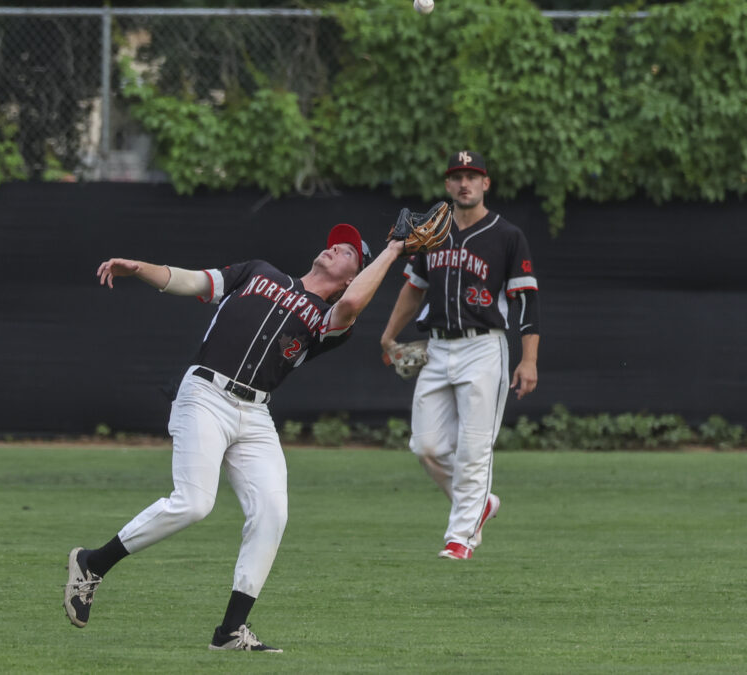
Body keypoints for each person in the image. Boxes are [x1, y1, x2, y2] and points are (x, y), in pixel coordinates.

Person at [65, 224, 406, 652]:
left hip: (255, 415)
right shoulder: (259, 272)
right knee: (194, 503)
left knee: (272, 513)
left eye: (350, 252)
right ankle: (92, 563)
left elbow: (354, 301)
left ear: (354, 275)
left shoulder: (329, 320)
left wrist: (393, 249)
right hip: (205, 394)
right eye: (337, 242)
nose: (337, 247)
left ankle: (230, 631)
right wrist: (140, 269)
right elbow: (195, 281)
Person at [380, 150, 540, 561]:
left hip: (484, 346)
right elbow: (414, 288)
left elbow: (526, 300)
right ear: (447, 185)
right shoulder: (432, 234)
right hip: (437, 346)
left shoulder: (507, 235)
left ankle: (459, 538)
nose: (464, 183)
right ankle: (480, 504)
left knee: (474, 448)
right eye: (456, 176)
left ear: (486, 183)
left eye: (472, 176)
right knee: (426, 446)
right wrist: (389, 335)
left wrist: (529, 359)